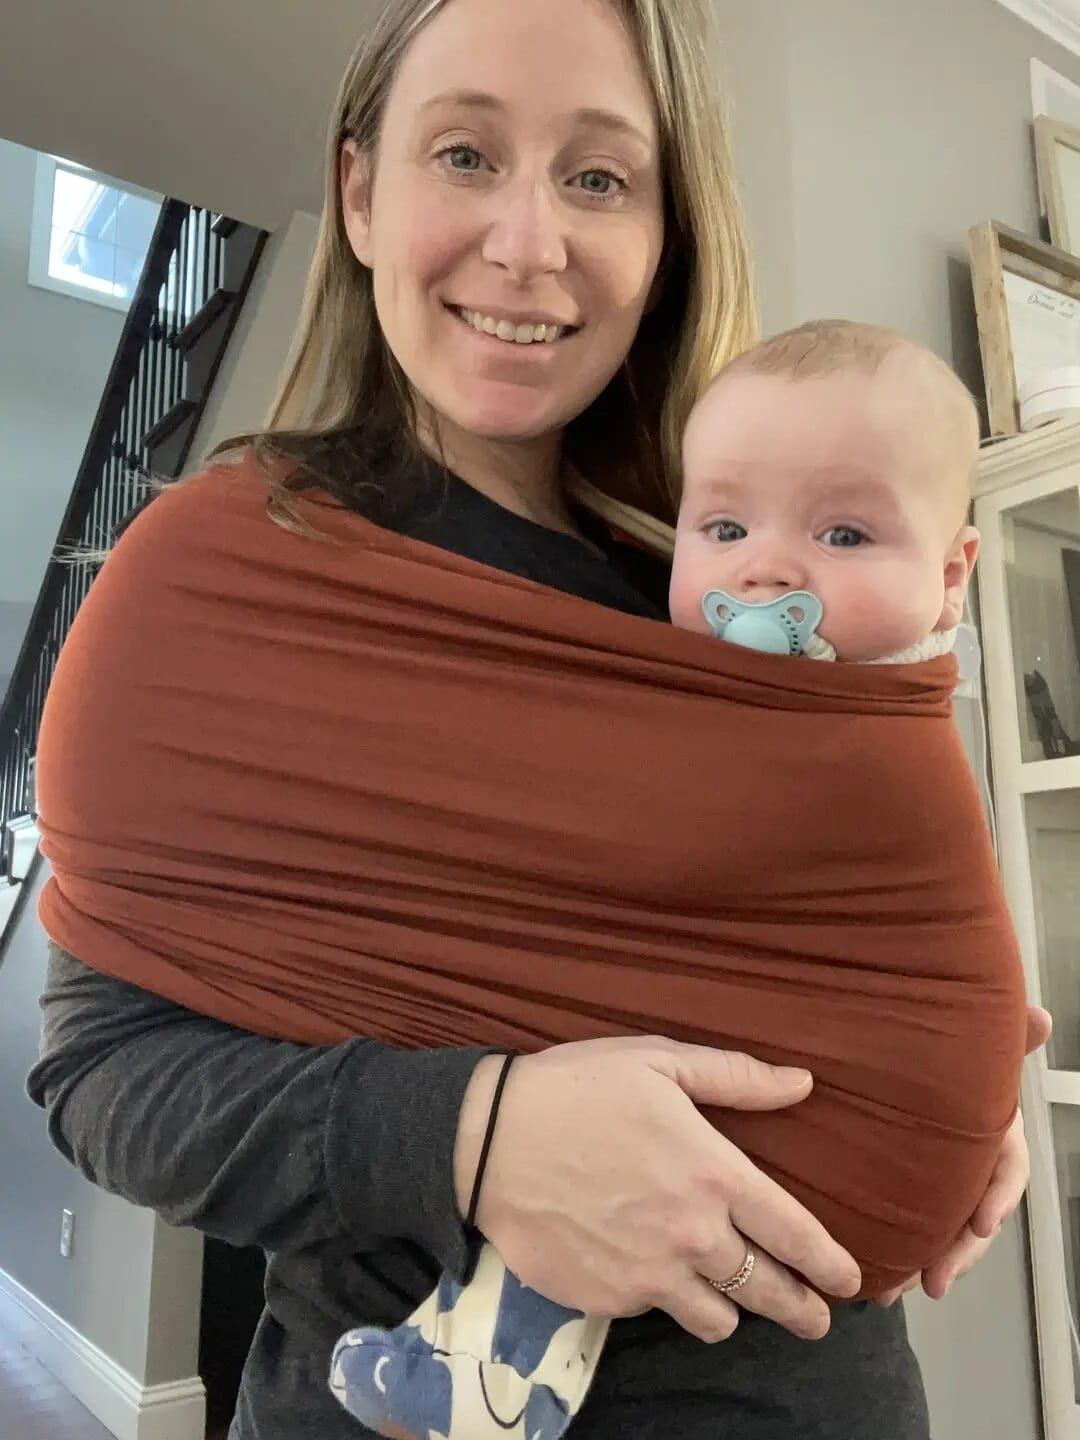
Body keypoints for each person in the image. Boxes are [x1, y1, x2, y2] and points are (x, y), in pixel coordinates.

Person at [25, 5, 1047, 1440]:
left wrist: (940, 1073)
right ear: (362, 193)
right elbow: (100, 1073)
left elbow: (865, 899)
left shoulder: (737, 583)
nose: (527, 243)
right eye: (465, 154)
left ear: (668, 234)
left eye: (599, 177)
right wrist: (473, 1134)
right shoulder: (229, 585)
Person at [326, 319, 1018, 1440]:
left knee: (608, 1107)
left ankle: (488, 1378)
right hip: (807, 1191)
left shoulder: (860, 727)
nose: (766, 570)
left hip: (814, 1193)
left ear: (949, 577)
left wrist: (945, 1071)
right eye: (726, 528)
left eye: (844, 533)